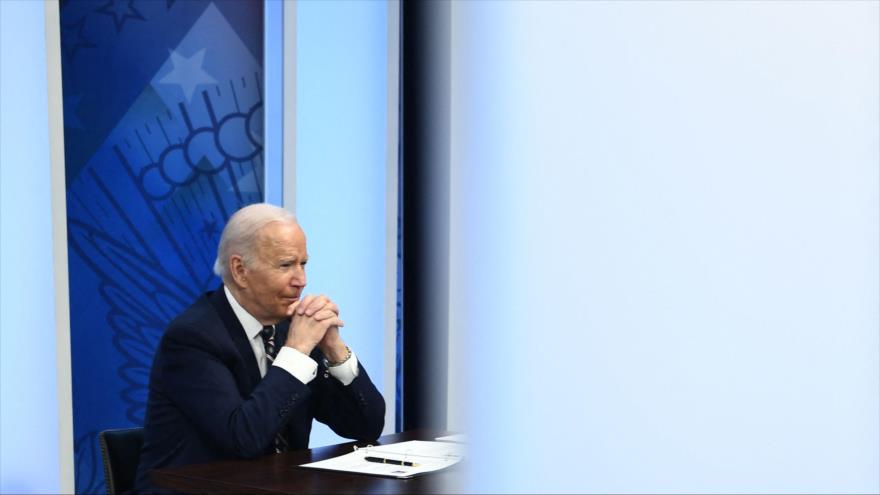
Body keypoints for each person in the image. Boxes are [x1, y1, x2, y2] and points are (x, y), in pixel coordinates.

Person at [134, 203, 385, 493]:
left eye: (303, 264)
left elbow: (366, 427)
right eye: (285, 265)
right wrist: (297, 351)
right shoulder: (192, 338)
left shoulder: (291, 330)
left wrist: (334, 349)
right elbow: (244, 439)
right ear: (240, 270)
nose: (300, 281)